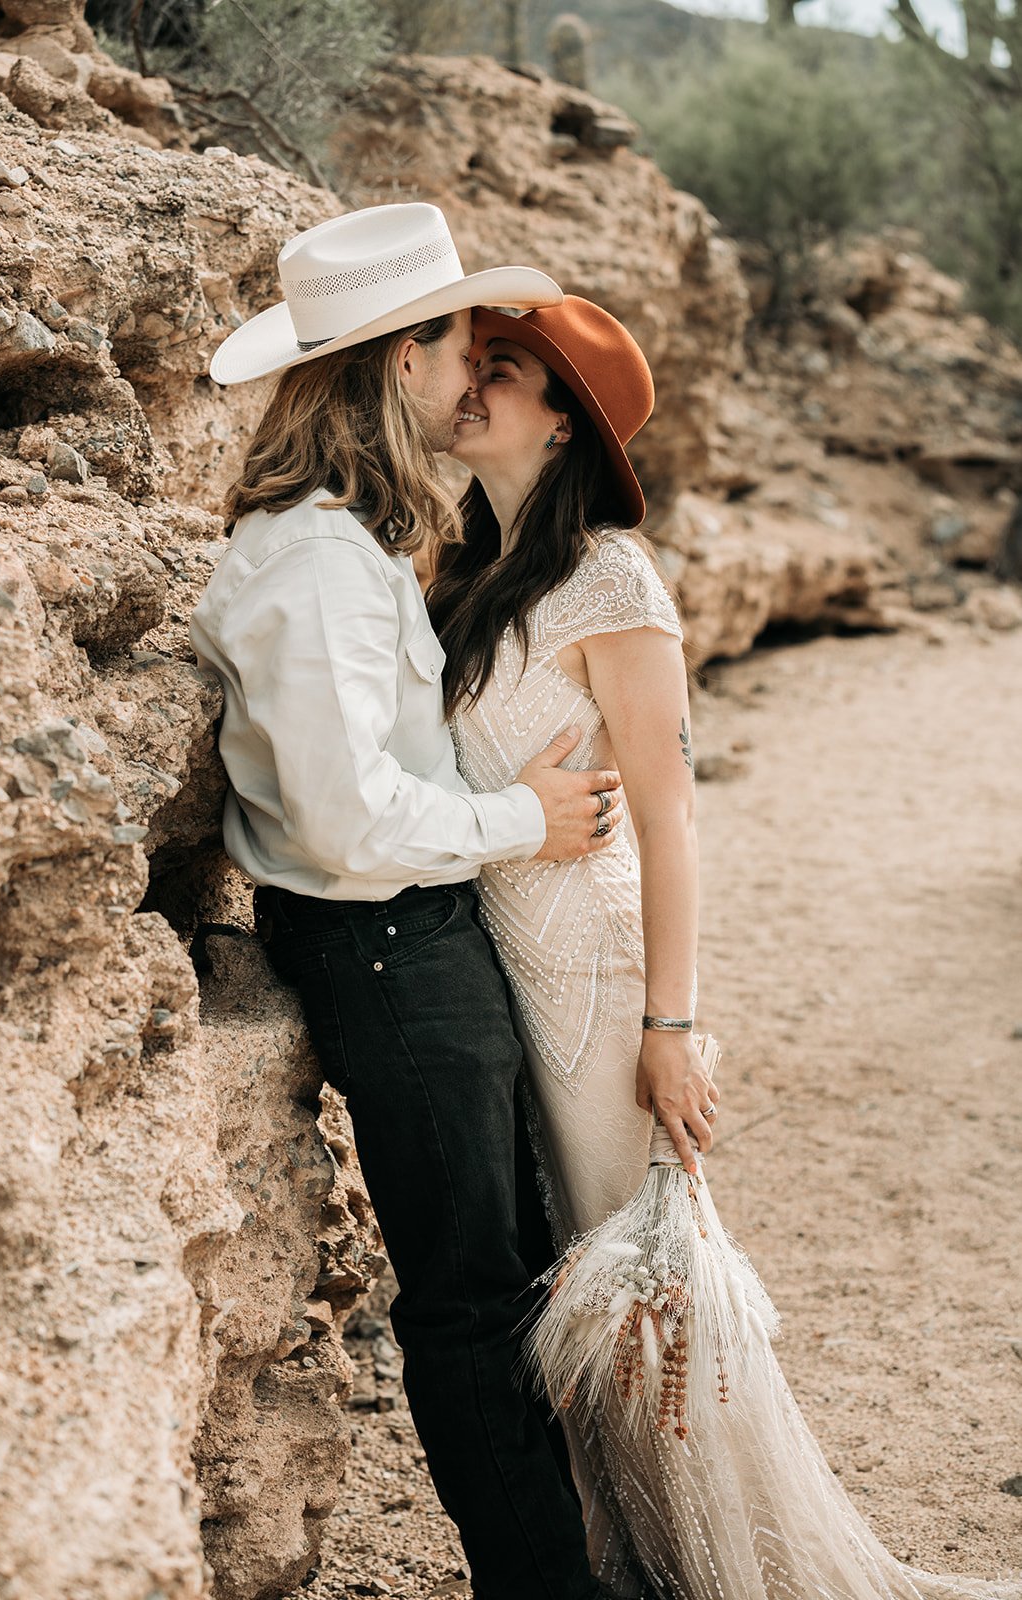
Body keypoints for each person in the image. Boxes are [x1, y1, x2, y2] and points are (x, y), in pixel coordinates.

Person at [427, 295, 1022, 1600]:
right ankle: (624, 1557)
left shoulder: (613, 578)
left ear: (564, 422)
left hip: (593, 979)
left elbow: (670, 809)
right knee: (563, 1291)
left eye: (502, 371)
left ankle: (709, 1567)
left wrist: (674, 1025)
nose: (469, 387)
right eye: (472, 366)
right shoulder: (466, 577)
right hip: (501, 976)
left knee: (632, 1286)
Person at [190, 204, 626, 1600]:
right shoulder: (315, 566)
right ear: (392, 364)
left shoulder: (348, 546)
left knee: (502, 1276)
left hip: (416, 941)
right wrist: (525, 821)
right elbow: (340, 815)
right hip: (386, 946)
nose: (467, 372)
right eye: (450, 344)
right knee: (464, 1307)